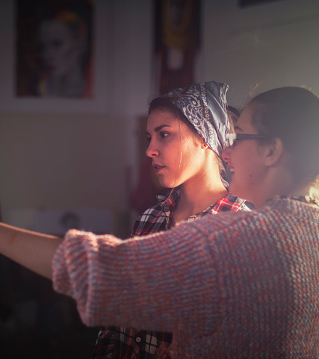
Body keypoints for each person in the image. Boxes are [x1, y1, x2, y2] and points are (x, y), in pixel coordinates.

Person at [0, 86, 319, 357]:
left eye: (239, 139)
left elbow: (99, 271)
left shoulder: (241, 237)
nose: (229, 153)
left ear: (272, 151)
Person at [93, 83, 250, 359]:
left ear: (204, 138)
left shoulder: (243, 226)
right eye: (149, 138)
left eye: (164, 135)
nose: (150, 150)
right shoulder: (149, 220)